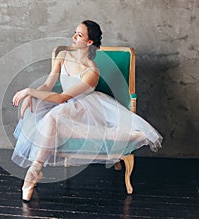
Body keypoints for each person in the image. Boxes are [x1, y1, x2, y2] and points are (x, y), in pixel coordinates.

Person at [11, 20, 162, 202]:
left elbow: (62, 98)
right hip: (65, 106)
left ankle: (33, 173)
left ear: (89, 42)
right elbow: (48, 84)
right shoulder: (63, 55)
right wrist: (33, 95)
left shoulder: (92, 71)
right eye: (75, 32)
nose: (74, 37)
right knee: (45, 113)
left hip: (85, 108)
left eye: (79, 35)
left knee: (54, 115)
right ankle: (34, 171)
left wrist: (28, 91)